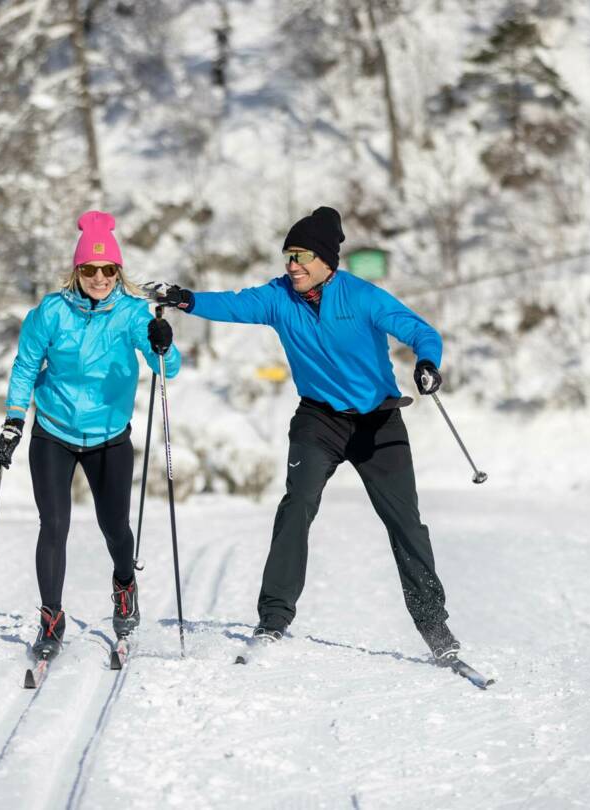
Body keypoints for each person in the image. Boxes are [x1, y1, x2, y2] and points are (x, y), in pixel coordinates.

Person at [151, 206, 463, 663]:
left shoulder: (361, 297)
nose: (291, 265)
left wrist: (427, 361)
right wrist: (185, 299)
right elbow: (233, 303)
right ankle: (273, 620)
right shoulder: (279, 298)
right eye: (287, 256)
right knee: (297, 504)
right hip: (319, 420)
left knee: (405, 522)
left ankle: (435, 627)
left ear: (326, 261)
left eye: (300, 256)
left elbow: (418, 330)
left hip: (378, 421)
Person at [0, 210, 181, 661]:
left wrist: (163, 342)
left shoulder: (134, 313)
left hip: (109, 436)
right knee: (53, 525)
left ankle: (124, 585)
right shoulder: (50, 313)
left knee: (115, 528)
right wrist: (14, 420)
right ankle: (51, 620)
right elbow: (24, 367)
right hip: (53, 432)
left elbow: (167, 369)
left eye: (108, 269)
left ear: (118, 272)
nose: (99, 277)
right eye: (90, 269)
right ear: (76, 271)